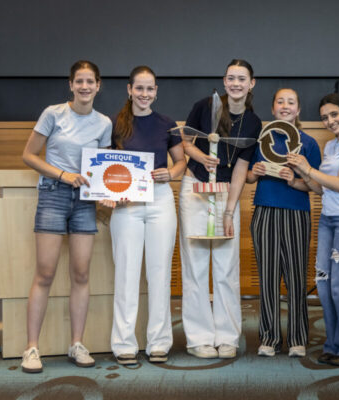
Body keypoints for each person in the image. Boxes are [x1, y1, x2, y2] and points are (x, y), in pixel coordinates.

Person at [21, 60, 112, 373]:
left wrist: (107, 194)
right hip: (53, 194)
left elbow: (103, 169)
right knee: (45, 273)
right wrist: (62, 175)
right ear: (71, 85)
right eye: (79, 81)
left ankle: (77, 344)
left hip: (85, 201)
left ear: (98, 85)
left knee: (81, 274)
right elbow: (28, 155)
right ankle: (31, 348)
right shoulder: (53, 113)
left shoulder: (104, 123)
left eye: (90, 81)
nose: (85, 87)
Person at [103, 66, 186, 365]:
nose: (144, 94)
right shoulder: (113, 123)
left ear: (156, 91)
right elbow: (104, 165)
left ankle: (159, 343)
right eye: (139, 88)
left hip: (160, 200)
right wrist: (111, 193)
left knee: (159, 274)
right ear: (129, 89)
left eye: (150, 89)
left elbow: (181, 162)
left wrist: (171, 174)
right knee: (126, 274)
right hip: (127, 205)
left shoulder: (167, 124)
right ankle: (124, 344)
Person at [180, 59, 261, 359]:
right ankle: (199, 339)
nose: (236, 83)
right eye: (231, 78)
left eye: (242, 79)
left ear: (251, 84)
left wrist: (229, 211)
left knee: (226, 267)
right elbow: (185, 142)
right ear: (224, 82)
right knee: (196, 266)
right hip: (195, 188)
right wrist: (201, 157)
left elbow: (240, 168)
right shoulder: (205, 106)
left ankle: (228, 337)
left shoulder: (253, 122)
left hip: (226, 193)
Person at [287, 93, 339, 367]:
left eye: (334, 114)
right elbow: (322, 188)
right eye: (325, 117)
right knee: (324, 284)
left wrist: (307, 168)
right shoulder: (331, 146)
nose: (330, 121)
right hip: (328, 219)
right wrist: (297, 178)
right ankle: (334, 344)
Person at [246, 88, 321, 358]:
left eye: (291, 102)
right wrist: (254, 172)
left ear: (298, 110)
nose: (285, 106)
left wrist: (294, 180)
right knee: (267, 277)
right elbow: (247, 178)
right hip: (265, 211)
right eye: (280, 101)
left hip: (296, 213)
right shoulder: (260, 140)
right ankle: (269, 338)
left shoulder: (308, 143)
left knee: (296, 277)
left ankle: (298, 338)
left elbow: (316, 186)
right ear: (273, 108)